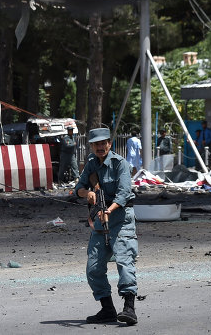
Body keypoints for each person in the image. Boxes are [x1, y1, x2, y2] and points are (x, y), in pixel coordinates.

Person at [74, 127, 138, 325]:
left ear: (109, 144)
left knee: (124, 262)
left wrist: (109, 209)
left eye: (104, 143)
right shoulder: (91, 164)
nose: (100, 147)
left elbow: (124, 193)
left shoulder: (120, 164)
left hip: (121, 219)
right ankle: (107, 308)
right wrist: (88, 194)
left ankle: (129, 308)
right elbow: (78, 189)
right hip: (100, 222)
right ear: (91, 146)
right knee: (93, 267)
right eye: (96, 144)